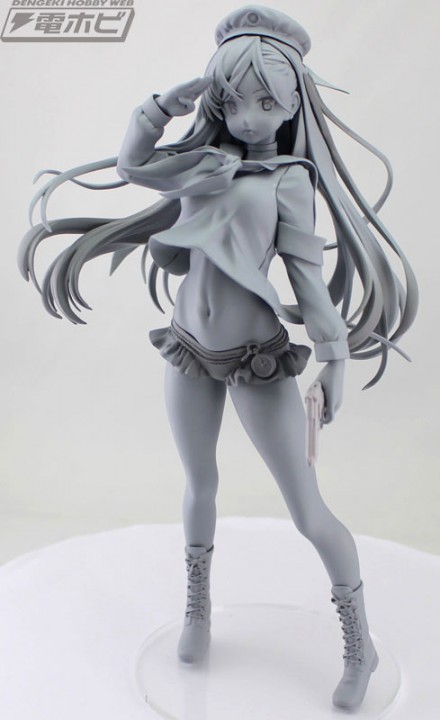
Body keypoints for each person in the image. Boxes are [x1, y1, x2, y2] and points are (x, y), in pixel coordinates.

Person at [19, 5, 418, 711]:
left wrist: (334, 359)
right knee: (199, 486)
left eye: (267, 102)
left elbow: (306, 278)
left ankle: (360, 642)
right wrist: (162, 106)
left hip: (256, 359)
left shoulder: (291, 181)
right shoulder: (202, 163)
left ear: (293, 105)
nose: (248, 117)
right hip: (187, 349)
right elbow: (132, 165)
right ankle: (198, 609)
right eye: (233, 101)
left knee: (308, 511)